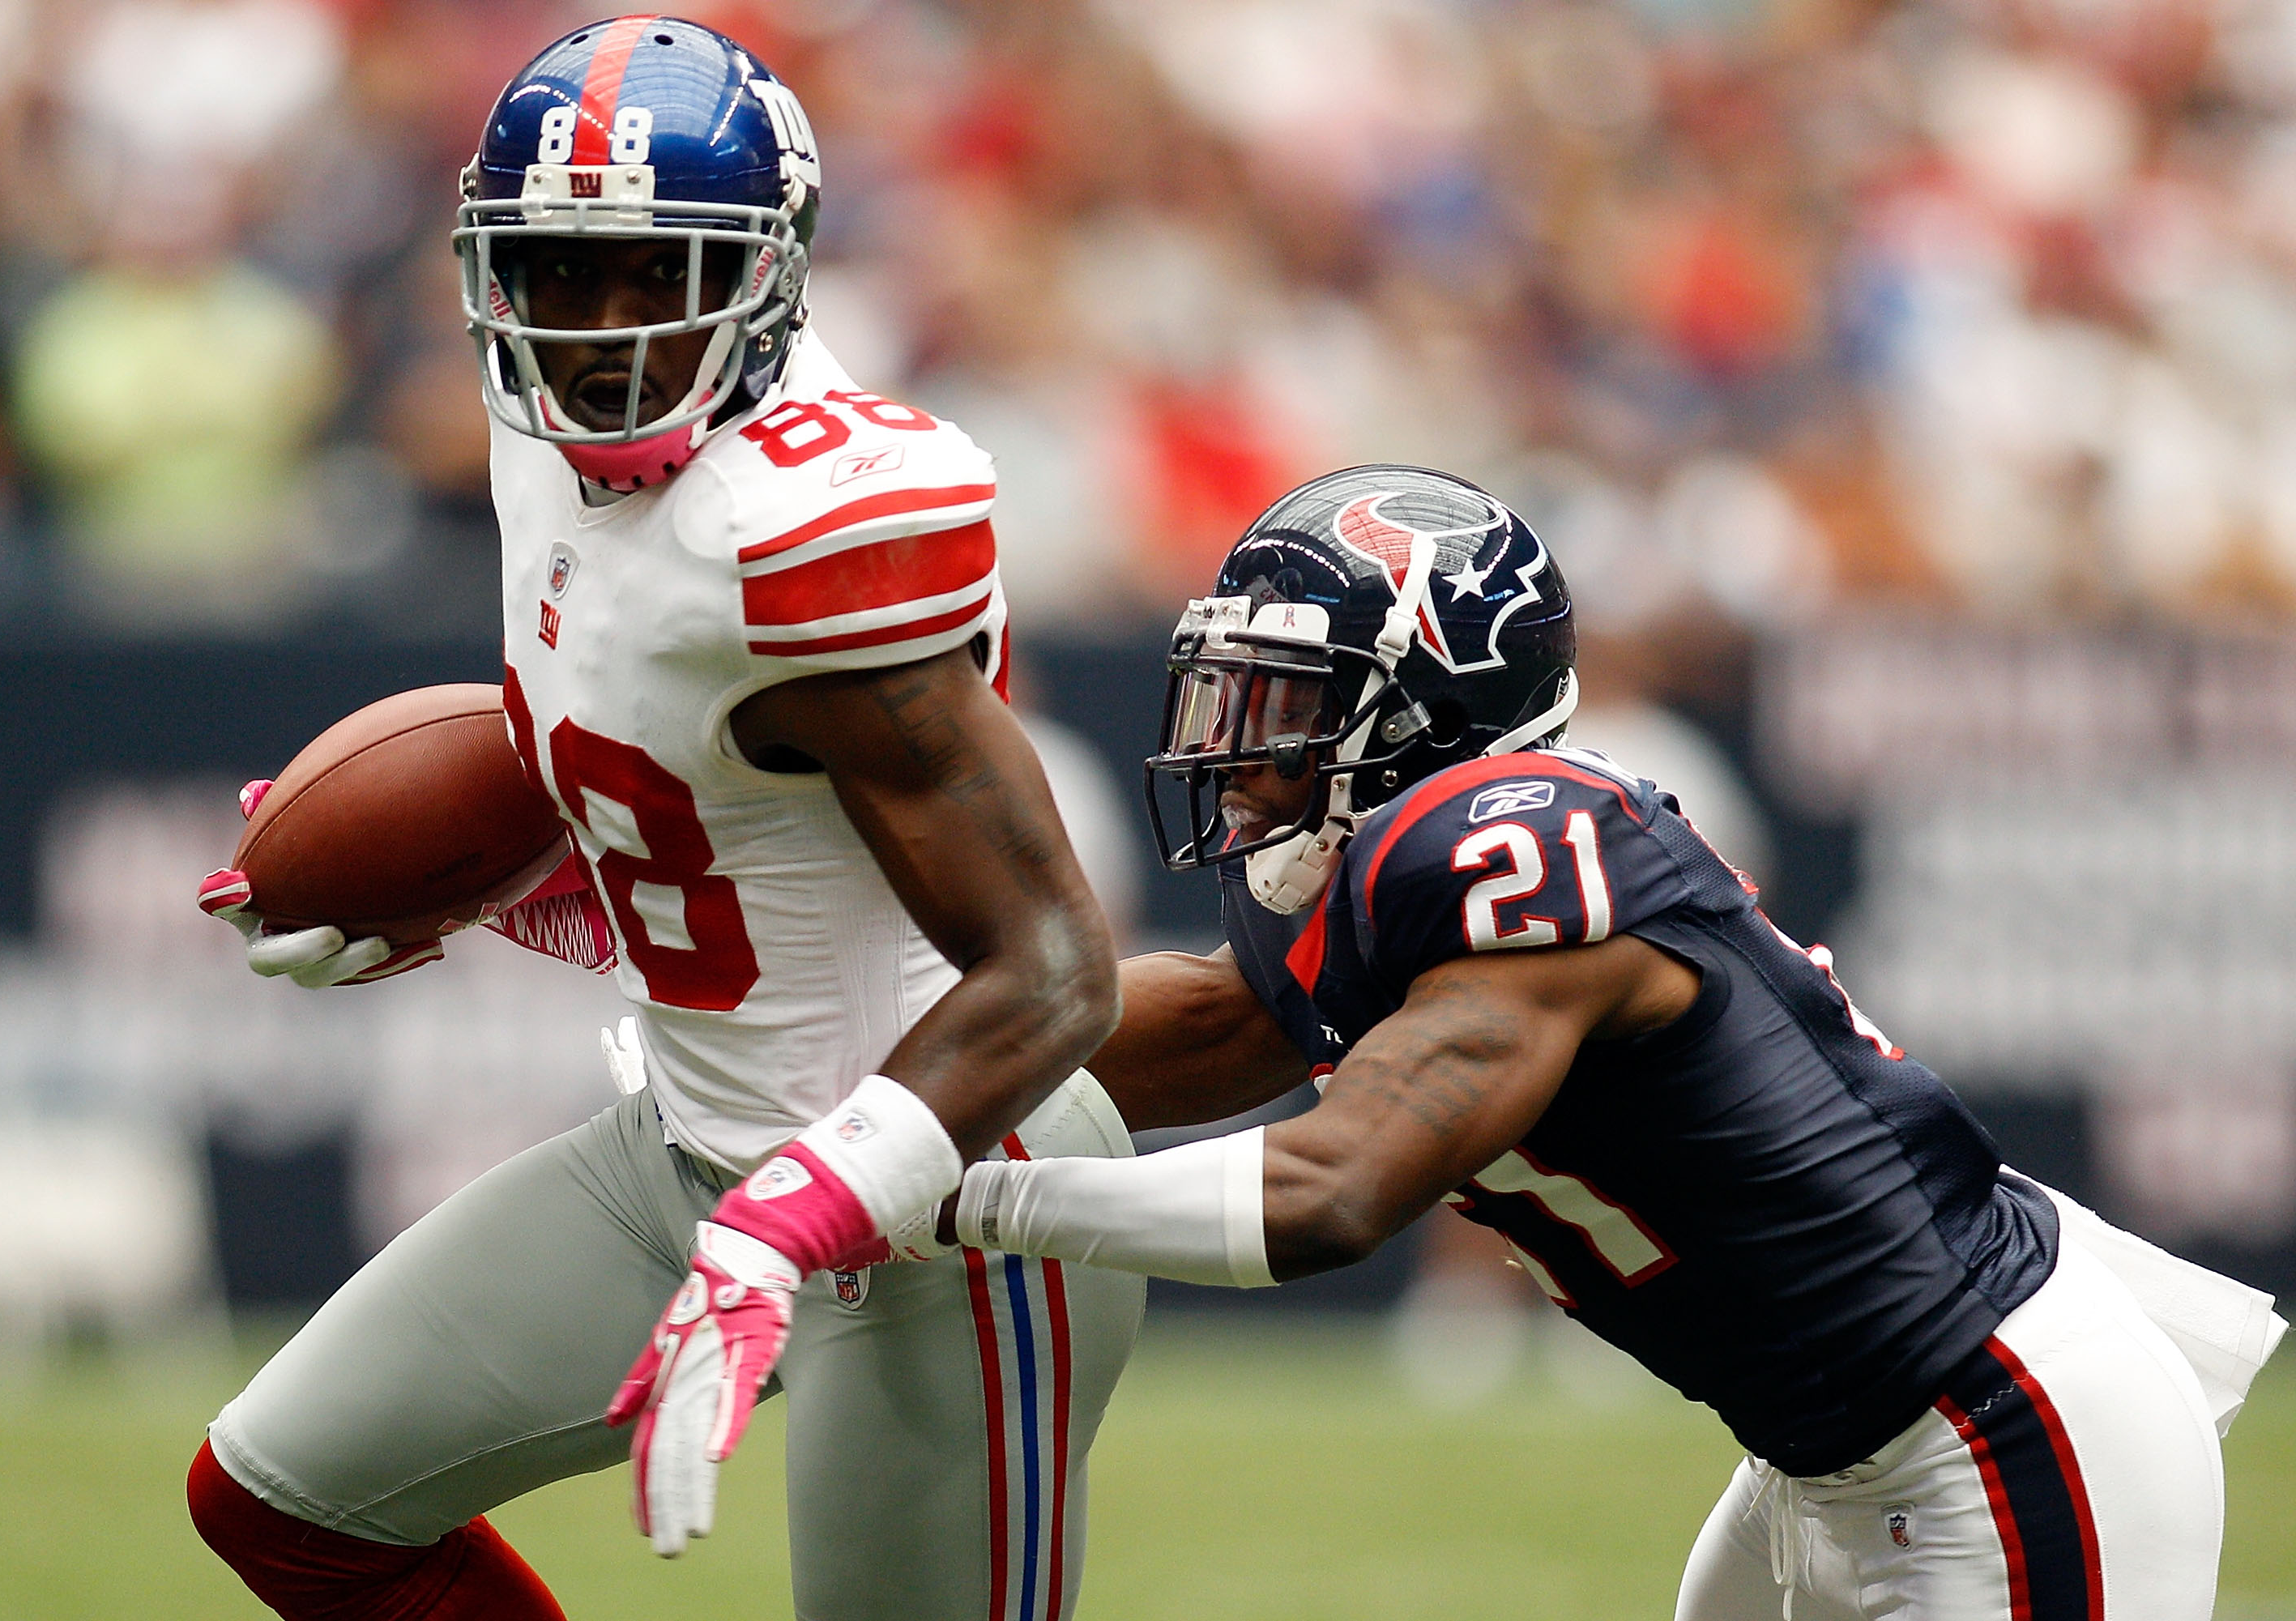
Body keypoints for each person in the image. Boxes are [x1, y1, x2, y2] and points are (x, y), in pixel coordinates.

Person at [949, 463, 2285, 1620]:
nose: (1236, 753)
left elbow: (1330, 1189)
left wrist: (960, 1199)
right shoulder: (1381, 878)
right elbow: (1218, 1024)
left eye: (1288, 705)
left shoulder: (1518, 866)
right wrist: (874, 1090)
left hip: (1990, 1425)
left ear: (1429, 719)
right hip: (1820, 1454)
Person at [184, 19, 1144, 1621]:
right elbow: (710, 843)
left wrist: (792, 1221)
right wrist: (467, 891)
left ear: (770, 268)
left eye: (658, 269)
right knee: (292, 1499)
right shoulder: (531, 432)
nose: (605, 326)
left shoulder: (802, 524)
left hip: (953, 1188)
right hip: (691, 1145)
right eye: (558, 272)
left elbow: (1053, 967)